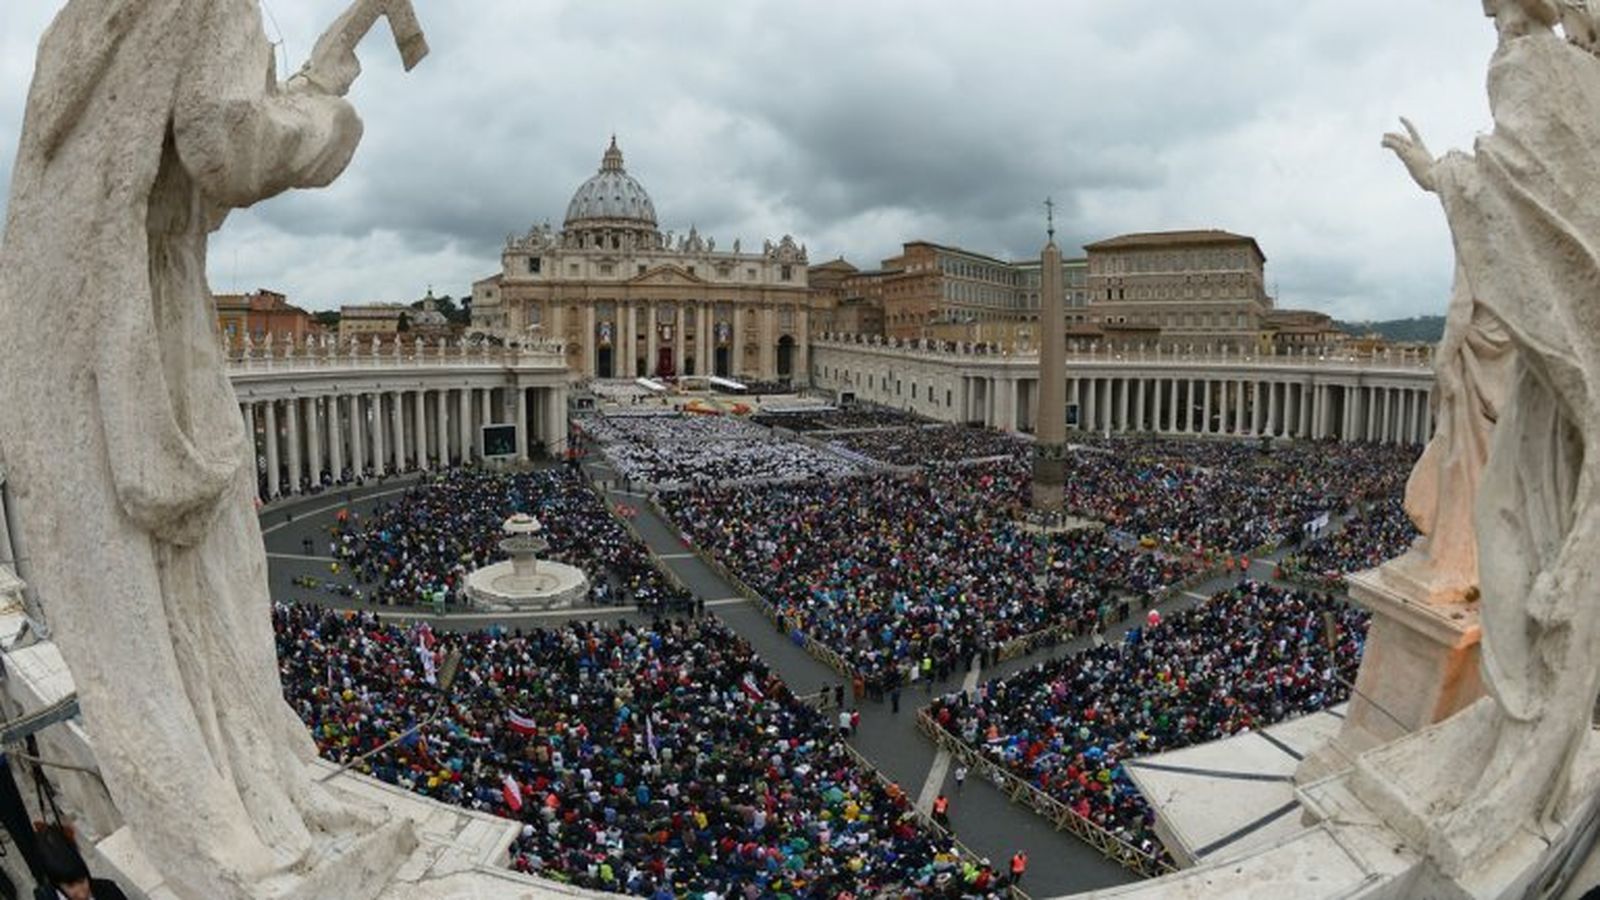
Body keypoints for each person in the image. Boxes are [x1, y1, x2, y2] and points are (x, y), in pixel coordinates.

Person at [0, 2, 416, 896]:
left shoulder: (80, 25)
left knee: (155, 592)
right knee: (214, 573)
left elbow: (159, 165)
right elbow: (226, 146)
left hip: (74, 321)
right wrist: (324, 93)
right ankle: (232, 813)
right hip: (144, 318)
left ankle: (251, 786)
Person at [32, 826, 128, 900]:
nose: (82, 894)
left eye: (82, 881)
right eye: (71, 886)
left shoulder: (109, 891)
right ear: (56, 885)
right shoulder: (45, 897)